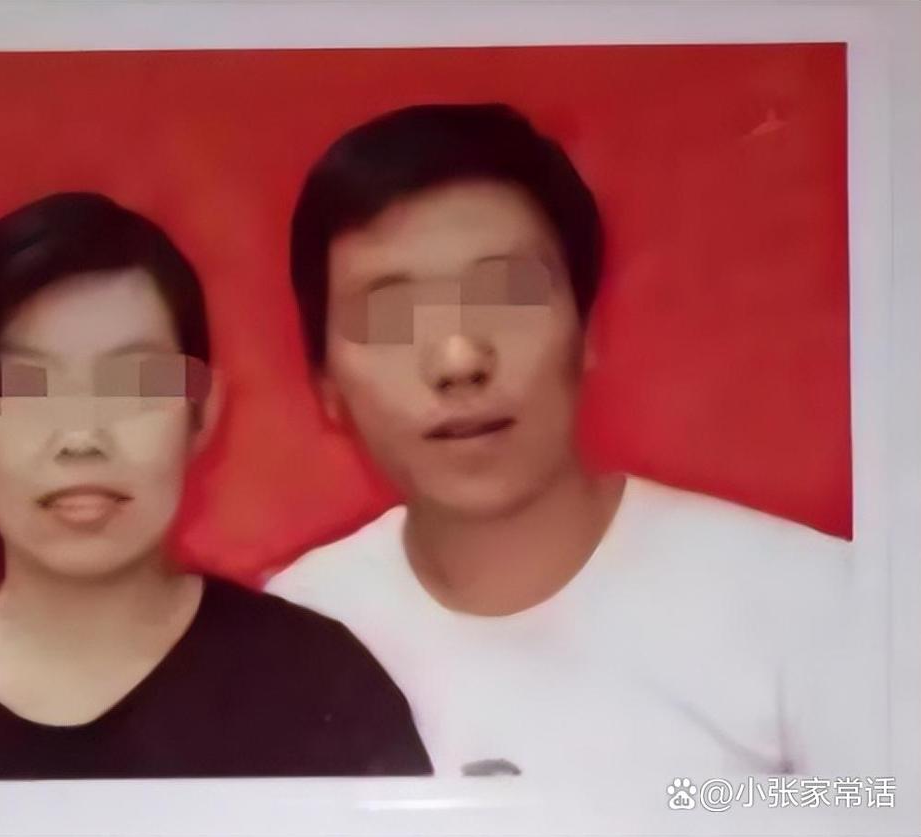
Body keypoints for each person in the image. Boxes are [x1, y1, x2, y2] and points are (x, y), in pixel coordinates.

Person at [266, 104, 870, 791]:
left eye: (508, 295)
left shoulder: (817, 605)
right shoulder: (291, 637)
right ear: (326, 386)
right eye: (391, 315)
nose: (459, 359)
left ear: (587, 332)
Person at [0, 192, 431, 780]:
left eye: (133, 385)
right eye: (28, 387)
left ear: (202, 410)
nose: (81, 437)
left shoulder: (318, 686)